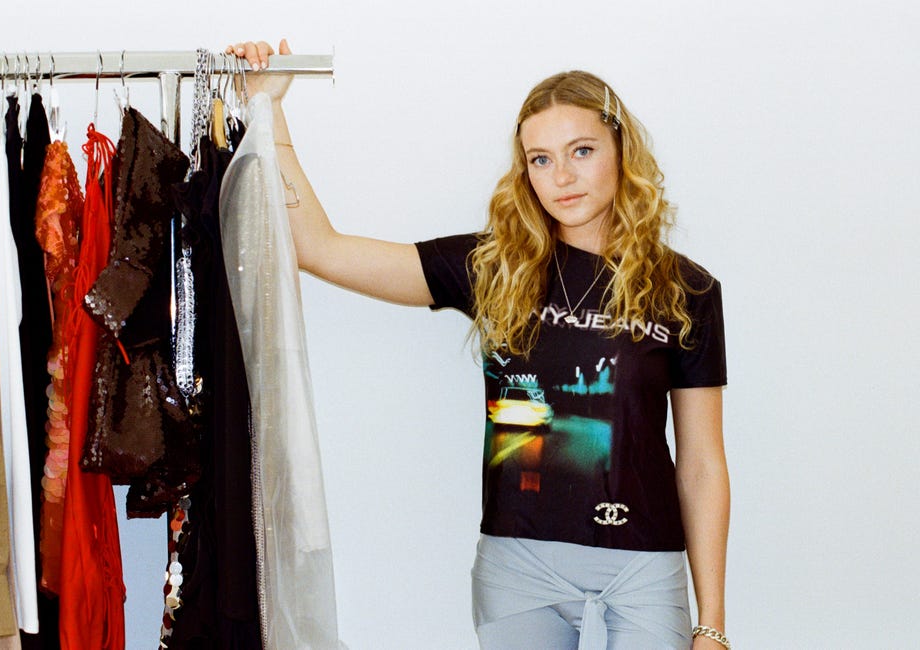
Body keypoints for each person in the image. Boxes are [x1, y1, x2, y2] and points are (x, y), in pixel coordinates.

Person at [228, 39, 731, 650]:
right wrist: (269, 113)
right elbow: (319, 248)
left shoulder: (688, 289)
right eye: (541, 160)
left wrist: (712, 625)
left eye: (582, 151)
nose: (563, 176)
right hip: (519, 568)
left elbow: (702, 465)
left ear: (621, 150)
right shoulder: (495, 267)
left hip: (642, 569)